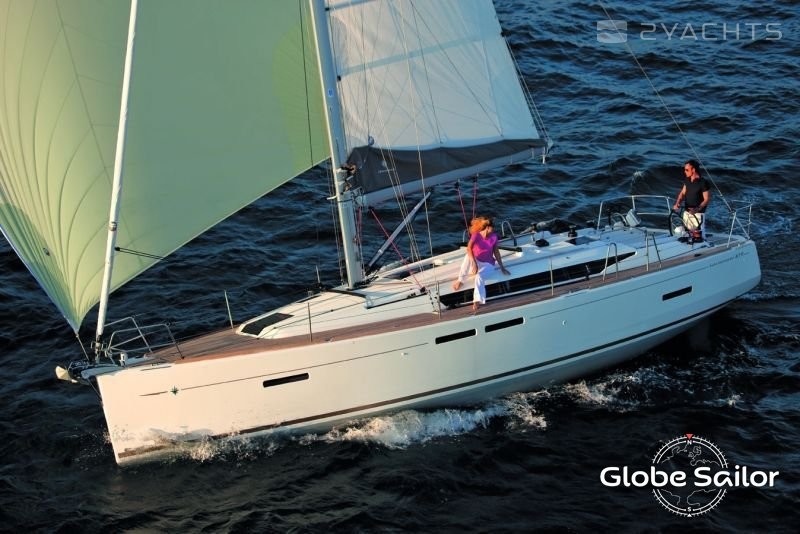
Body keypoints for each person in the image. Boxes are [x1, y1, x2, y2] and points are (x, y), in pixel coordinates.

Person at [452, 217, 510, 310]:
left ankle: (477, 300)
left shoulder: (494, 237)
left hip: (488, 264)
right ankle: (461, 280)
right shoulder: (476, 235)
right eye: (492, 227)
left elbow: (496, 252)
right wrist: (474, 263)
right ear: (487, 227)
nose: (493, 229)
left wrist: (502, 267)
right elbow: (469, 249)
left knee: (479, 276)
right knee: (467, 256)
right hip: (476, 261)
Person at [672, 159, 711, 239]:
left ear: (693, 169)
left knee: (698, 237)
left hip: (698, 214)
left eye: (687, 170)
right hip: (687, 213)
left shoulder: (703, 182)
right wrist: (677, 203)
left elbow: (706, 199)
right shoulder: (687, 180)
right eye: (684, 170)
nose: (685, 172)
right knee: (681, 232)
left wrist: (697, 209)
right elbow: (682, 193)